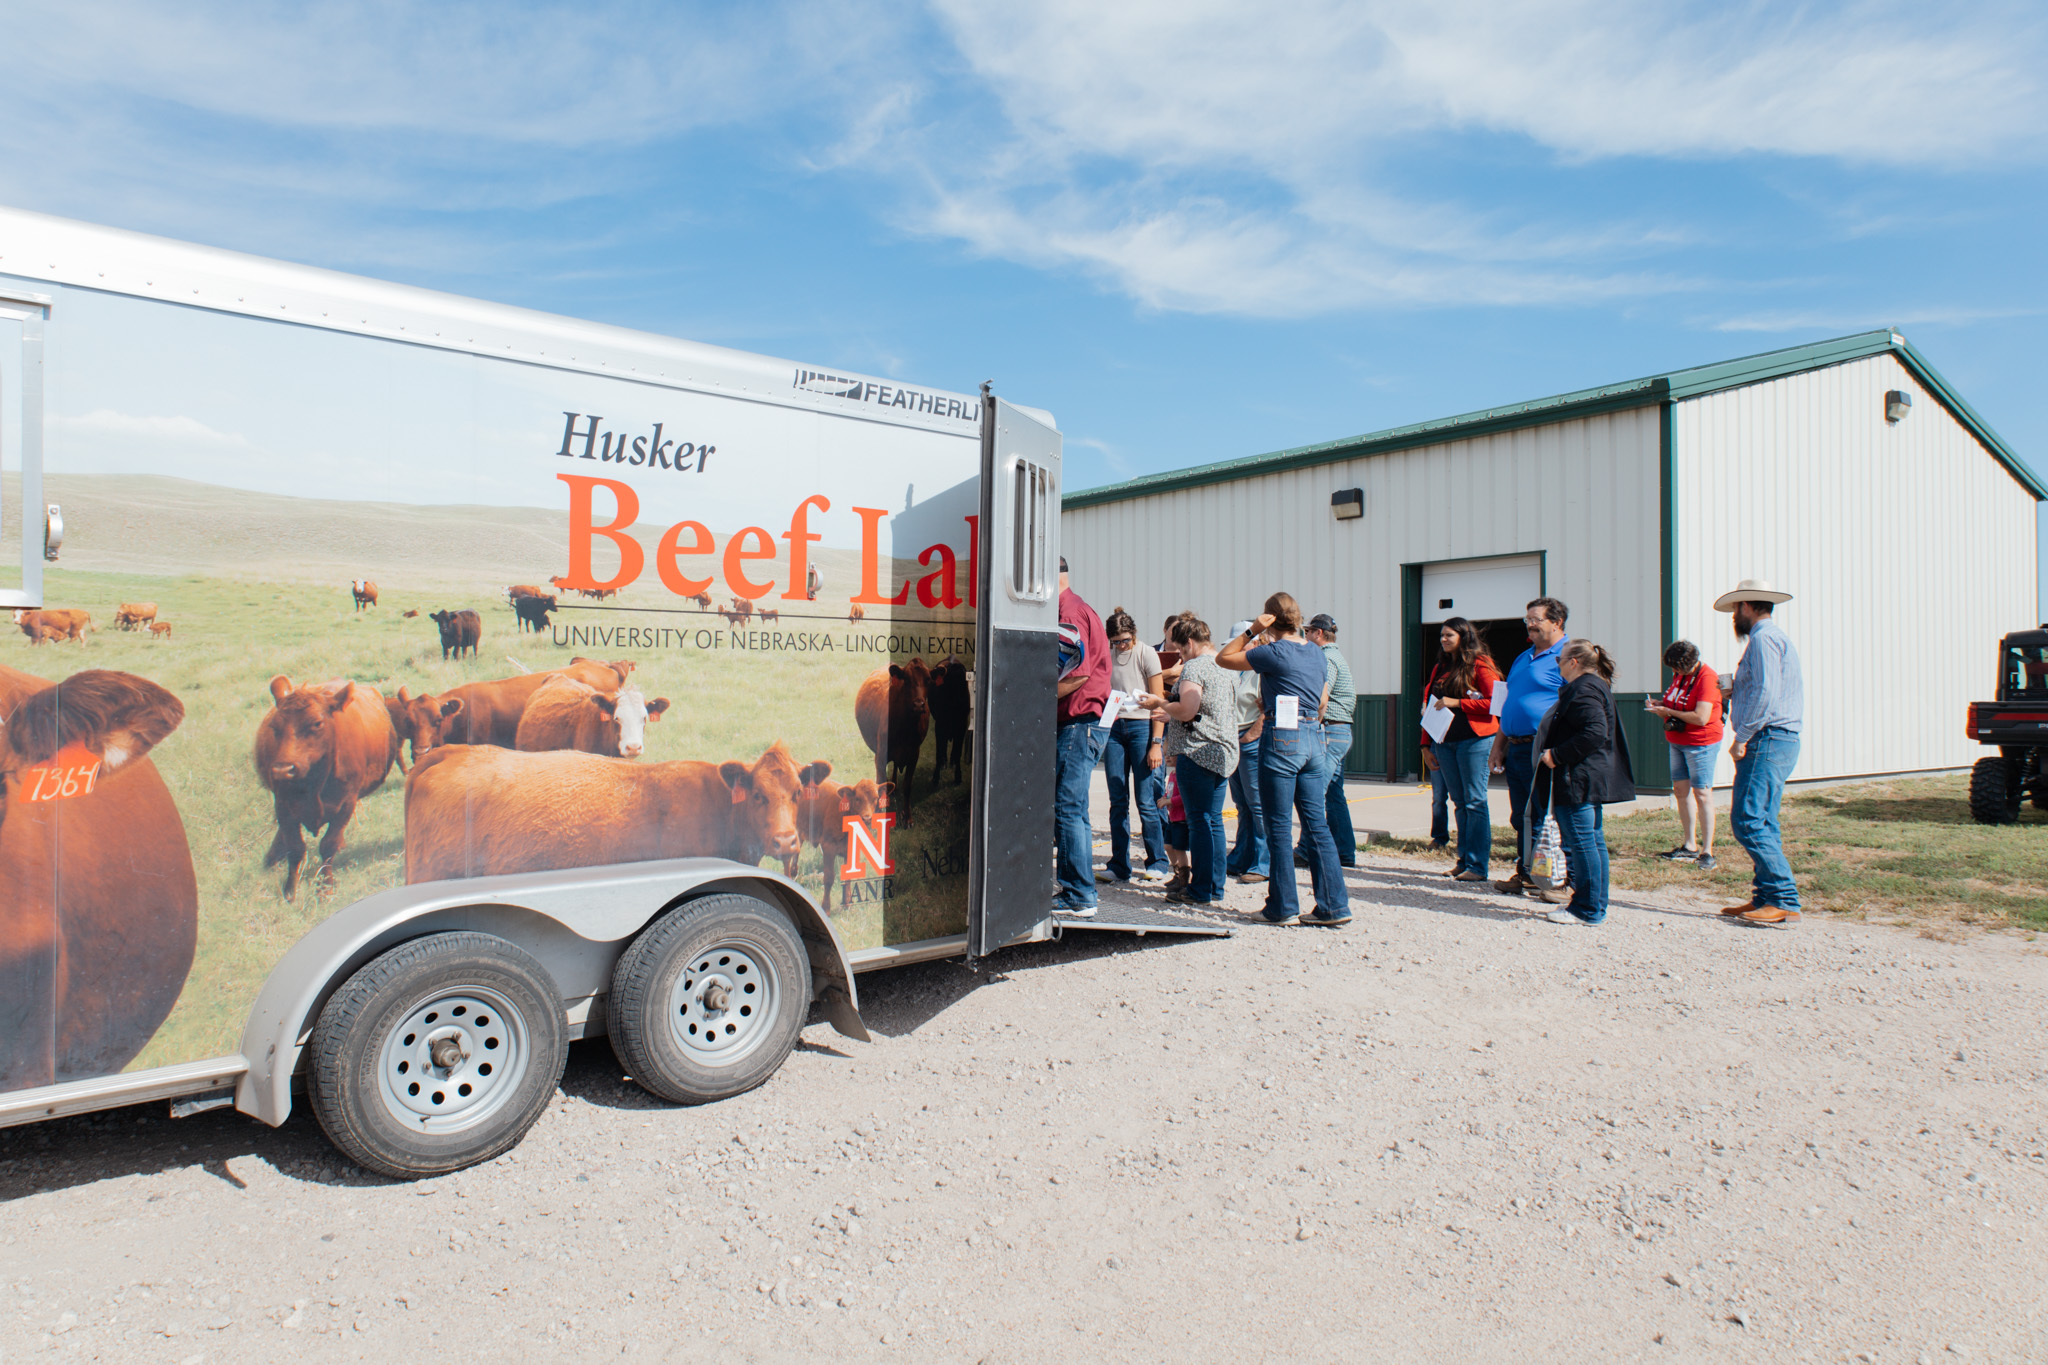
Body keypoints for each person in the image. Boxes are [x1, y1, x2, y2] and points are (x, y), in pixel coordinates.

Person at [1219, 593, 1351, 926]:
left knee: (1278, 825)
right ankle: (1334, 906)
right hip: (1312, 736)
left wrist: (1251, 632)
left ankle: (1282, 906)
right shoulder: (1318, 653)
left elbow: (1224, 658)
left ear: (1270, 619)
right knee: (1316, 824)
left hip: (1282, 737)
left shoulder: (1273, 651)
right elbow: (1322, 702)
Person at [1715, 579, 1804, 927]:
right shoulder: (1774, 638)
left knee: (1748, 819)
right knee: (1764, 820)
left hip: (1767, 737)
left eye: (1737, 608)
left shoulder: (1763, 640)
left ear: (1746, 607)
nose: (1735, 616)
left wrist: (1743, 735)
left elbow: (1767, 691)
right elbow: (1767, 686)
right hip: (1779, 737)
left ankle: (1783, 898)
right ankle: (1766, 897)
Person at [1138, 616, 1239, 905]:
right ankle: (1215, 886)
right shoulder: (1226, 664)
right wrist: (1171, 712)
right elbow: (1205, 711)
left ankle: (1200, 889)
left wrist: (1160, 703)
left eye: (1181, 651)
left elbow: (1188, 709)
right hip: (1224, 751)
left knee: (1199, 822)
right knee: (1214, 821)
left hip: (1198, 753)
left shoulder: (1195, 666)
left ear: (1190, 643)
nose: (1181, 657)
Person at [1535, 641, 1635, 926]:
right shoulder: (1595, 685)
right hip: (1588, 776)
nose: (1558, 666)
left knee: (1582, 842)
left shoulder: (1583, 689)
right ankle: (1594, 904)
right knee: (1592, 840)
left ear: (1574, 662)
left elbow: (1595, 731)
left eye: (1560, 661)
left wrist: (1557, 754)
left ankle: (1587, 909)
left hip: (1578, 777)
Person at [1491, 597, 1570, 899]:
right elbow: (1508, 704)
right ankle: (1525, 873)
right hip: (1517, 747)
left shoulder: (1567, 656)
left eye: (1536, 619)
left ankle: (1553, 880)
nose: (1530, 624)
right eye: (1527, 619)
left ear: (1557, 622)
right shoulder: (1522, 658)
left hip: (1545, 750)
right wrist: (1499, 746)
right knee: (1521, 816)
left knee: (1545, 814)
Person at [1424, 617, 1503, 882]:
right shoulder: (1441, 668)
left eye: (1449, 635)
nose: (1444, 639)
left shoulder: (1481, 664)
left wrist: (1458, 702)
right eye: (1442, 635)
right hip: (1445, 742)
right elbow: (1430, 706)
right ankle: (1464, 861)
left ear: (1464, 636)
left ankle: (1478, 866)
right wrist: (1426, 744)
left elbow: (1496, 703)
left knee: (1474, 801)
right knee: (1459, 803)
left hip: (1475, 741)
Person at [1054, 557, 1112, 918]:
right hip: (1086, 722)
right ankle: (1082, 888)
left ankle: (1078, 895)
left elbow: (1075, 674)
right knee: (1076, 809)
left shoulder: (1068, 612)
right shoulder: (1078, 607)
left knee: (1067, 808)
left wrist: (1035, 699)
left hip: (1078, 722)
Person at [1098, 608, 1171, 885]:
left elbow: (1158, 700)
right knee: (1118, 799)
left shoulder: (1146, 654)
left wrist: (1156, 743)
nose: (1120, 646)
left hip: (1142, 727)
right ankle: (1119, 864)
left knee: (1146, 800)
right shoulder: (1110, 655)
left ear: (1134, 635)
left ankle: (1157, 860)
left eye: (1124, 640)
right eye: (1115, 641)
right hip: (1115, 727)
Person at [1647, 638, 1722, 869]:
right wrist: (1662, 704)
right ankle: (1690, 845)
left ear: (1688, 664)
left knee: (1702, 793)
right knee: (1681, 791)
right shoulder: (1680, 675)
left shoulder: (1707, 678)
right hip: (1677, 740)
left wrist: (1667, 711)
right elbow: (1679, 702)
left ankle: (1707, 851)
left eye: (1676, 668)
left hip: (1701, 742)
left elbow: (1701, 717)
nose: (1673, 672)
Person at [1295, 614, 1358, 869]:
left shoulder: (1325, 658)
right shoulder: (1336, 656)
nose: (1305, 636)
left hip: (1329, 731)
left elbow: (1321, 696)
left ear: (1318, 634)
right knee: (1333, 795)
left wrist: (1312, 724)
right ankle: (1344, 851)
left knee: (1313, 793)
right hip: (1339, 731)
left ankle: (1307, 850)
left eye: (1308, 632)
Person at [1224, 620, 1269, 884]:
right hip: (1236, 738)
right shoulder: (1238, 671)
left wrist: (1253, 734)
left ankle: (1263, 861)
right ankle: (1243, 854)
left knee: (1258, 804)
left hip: (1250, 739)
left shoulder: (1261, 670)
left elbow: (1268, 705)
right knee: (1242, 804)